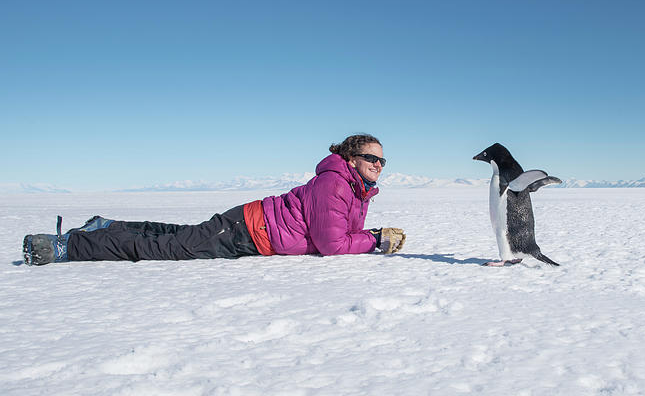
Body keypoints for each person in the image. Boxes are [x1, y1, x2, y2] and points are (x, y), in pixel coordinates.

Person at [22, 134, 406, 266]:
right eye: (372, 158)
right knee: (168, 249)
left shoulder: (354, 188)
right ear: (353, 158)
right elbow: (331, 243)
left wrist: (369, 234)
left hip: (249, 225)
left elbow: (338, 231)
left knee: (178, 236)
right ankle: (65, 246)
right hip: (250, 231)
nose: (378, 164)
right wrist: (374, 240)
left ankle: (106, 227)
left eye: (382, 160)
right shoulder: (336, 184)